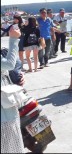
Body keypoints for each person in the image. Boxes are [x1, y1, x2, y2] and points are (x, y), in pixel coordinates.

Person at [1, 23, 25, 153]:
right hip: (5, 114)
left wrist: (18, 77)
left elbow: (10, 69)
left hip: (8, 107)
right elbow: (10, 64)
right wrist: (14, 39)